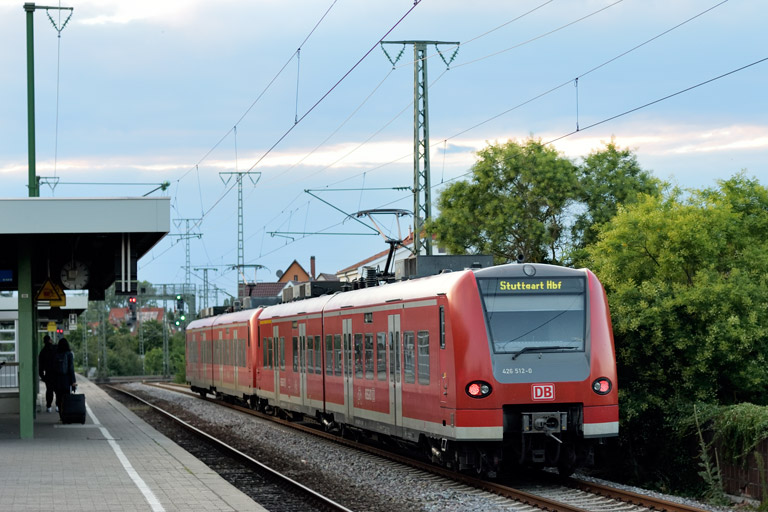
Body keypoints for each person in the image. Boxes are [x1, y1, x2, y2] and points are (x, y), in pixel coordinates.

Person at [53, 338, 77, 413]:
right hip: (66, 379)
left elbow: (53, 367)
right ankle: (66, 415)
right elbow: (71, 368)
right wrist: (73, 381)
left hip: (57, 379)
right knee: (66, 397)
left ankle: (61, 415)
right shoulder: (69, 354)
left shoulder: (56, 354)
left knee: (59, 397)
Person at [38, 335, 57, 412]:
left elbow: (41, 366)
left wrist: (42, 376)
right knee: (57, 390)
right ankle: (58, 406)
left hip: (48, 374)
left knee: (49, 390)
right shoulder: (56, 349)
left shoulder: (42, 351)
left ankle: (48, 406)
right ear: (50, 340)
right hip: (56, 373)